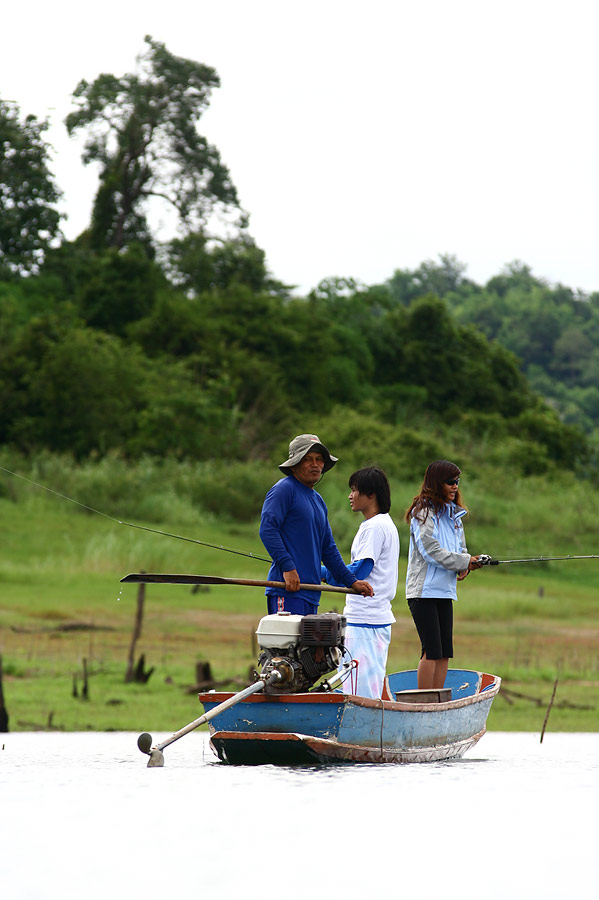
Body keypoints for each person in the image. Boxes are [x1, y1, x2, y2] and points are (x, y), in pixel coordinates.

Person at [259, 434, 374, 615]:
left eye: (319, 460)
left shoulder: (318, 501)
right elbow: (267, 529)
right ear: (295, 464)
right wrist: (288, 568)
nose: (315, 464)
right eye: (308, 459)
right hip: (288, 591)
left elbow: (328, 549)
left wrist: (351, 581)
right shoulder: (284, 490)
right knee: (286, 644)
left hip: (311, 593)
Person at [322, 466, 400, 699]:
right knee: (368, 689)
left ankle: (360, 735)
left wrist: (320, 572)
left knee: (357, 694)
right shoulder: (384, 524)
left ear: (371, 494)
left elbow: (360, 570)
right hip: (374, 620)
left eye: (355, 490)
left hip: (364, 621)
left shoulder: (375, 527)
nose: (350, 495)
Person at [405, 459, 483, 690]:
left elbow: (460, 549)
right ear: (436, 483)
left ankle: (438, 700)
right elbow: (431, 550)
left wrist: (467, 564)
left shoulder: (453, 516)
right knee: (431, 650)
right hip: (423, 592)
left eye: (457, 482)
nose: (455, 486)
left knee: (445, 652)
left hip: (445, 590)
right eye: (450, 482)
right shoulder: (423, 513)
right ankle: (424, 702)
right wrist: (463, 561)